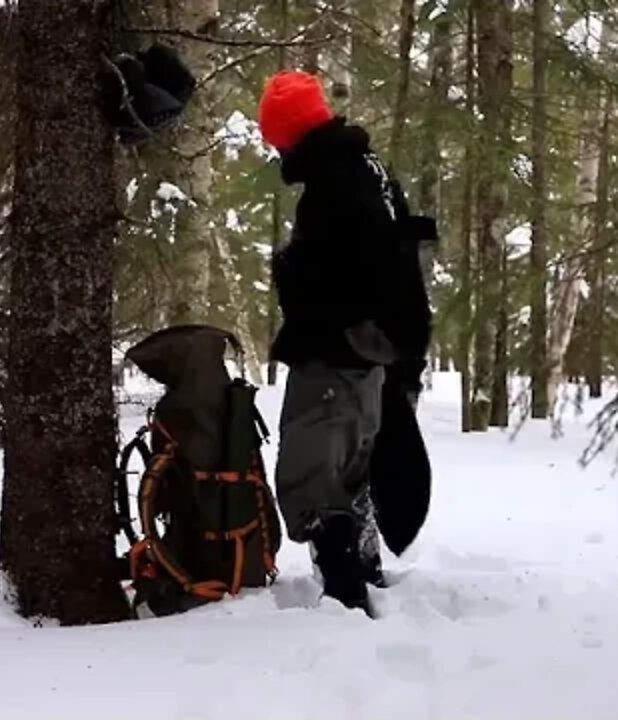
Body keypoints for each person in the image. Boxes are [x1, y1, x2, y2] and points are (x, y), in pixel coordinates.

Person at [258, 70, 428, 615]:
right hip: (371, 353)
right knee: (350, 470)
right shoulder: (366, 169)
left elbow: (347, 273)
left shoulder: (336, 184)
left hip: (339, 352)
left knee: (311, 476)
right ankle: (365, 577)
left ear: (288, 133)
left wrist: (290, 271)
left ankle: (347, 602)